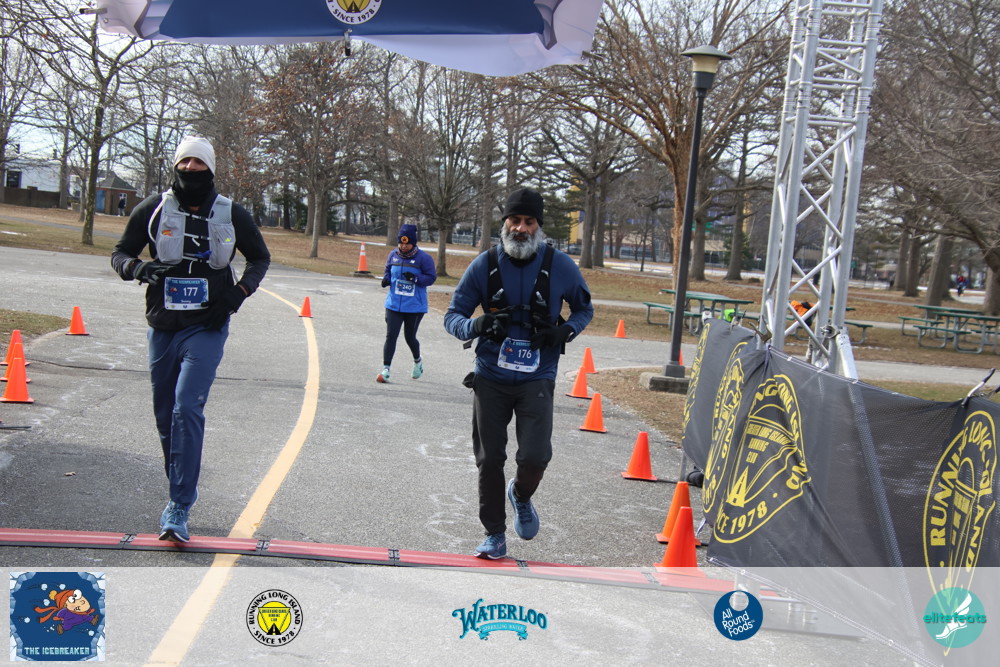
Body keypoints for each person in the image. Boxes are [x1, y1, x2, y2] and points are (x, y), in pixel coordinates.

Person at [110, 136, 270, 542]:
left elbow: (260, 258)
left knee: (187, 406)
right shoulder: (153, 208)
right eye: (184, 165)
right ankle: (179, 483)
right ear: (175, 168)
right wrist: (137, 269)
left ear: (210, 170)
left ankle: (179, 504)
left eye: (198, 165)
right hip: (163, 325)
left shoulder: (231, 213)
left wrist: (238, 293)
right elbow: (120, 252)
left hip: (207, 326)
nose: (190, 171)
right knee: (165, 414)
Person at [444, 187, 593, 559]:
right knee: (490, 458)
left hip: (537, 376)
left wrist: (565, 331)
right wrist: (476, 326)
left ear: (538, 226)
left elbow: (584, 309)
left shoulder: (561, 266)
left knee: (535, 457)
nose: (521, 228)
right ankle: (494, 533)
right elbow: (453, 316)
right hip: (490, 376)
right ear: (505, 222)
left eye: (529, 222)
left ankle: (521, 495)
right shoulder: (484, 265)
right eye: (515, 220)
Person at [378, 223, 437, 382]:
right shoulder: (393, 255)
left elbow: (431, 278)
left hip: (414, 306)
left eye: (407, 243)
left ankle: (418, 361)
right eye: (401, 243)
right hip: (394, 304)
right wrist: (386, 279)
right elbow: (388, 270)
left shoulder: (423, 258)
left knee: (409, 337)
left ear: (413, 243)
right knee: (391, 335)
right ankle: (386, 370)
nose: (403, 246)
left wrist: (416, 278)